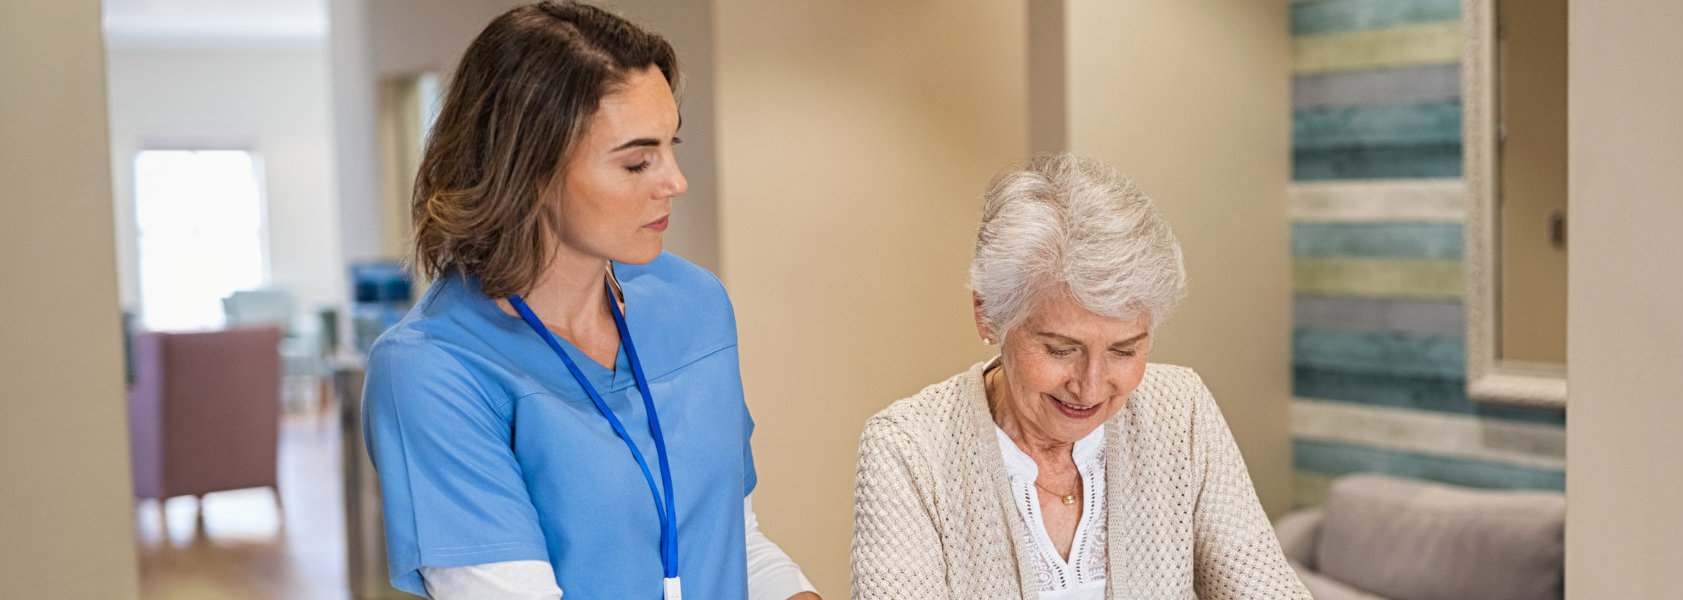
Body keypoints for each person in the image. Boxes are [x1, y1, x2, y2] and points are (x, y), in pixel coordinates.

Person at [362, 3, 818, 599]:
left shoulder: (695, 304)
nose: (674, 181)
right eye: (636, 161)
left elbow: (735, 544)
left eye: (669, 145)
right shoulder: (432, 371)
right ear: (529, 171)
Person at [849, 154, 1314, 599]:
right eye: (1060, 349)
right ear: (988, 314)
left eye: (1124, 350)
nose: (1090, 386)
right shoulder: (909, 448)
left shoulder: (1182, 410)